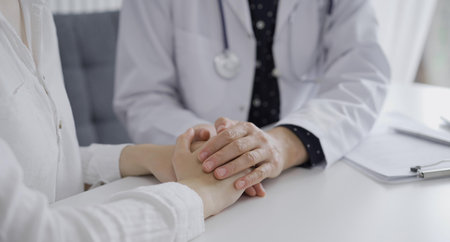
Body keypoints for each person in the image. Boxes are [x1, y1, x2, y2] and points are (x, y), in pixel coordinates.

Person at [0, 0, 248, 241]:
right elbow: (35, 234)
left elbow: (38, 168)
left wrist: (140, 156)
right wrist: (199, 195)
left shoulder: (34, 9)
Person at [114, 0, 391, 194]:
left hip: (301, 167)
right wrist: (224, 149)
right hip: (203, 175)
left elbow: (362, 76)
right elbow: (143, 96)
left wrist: (284, 143)